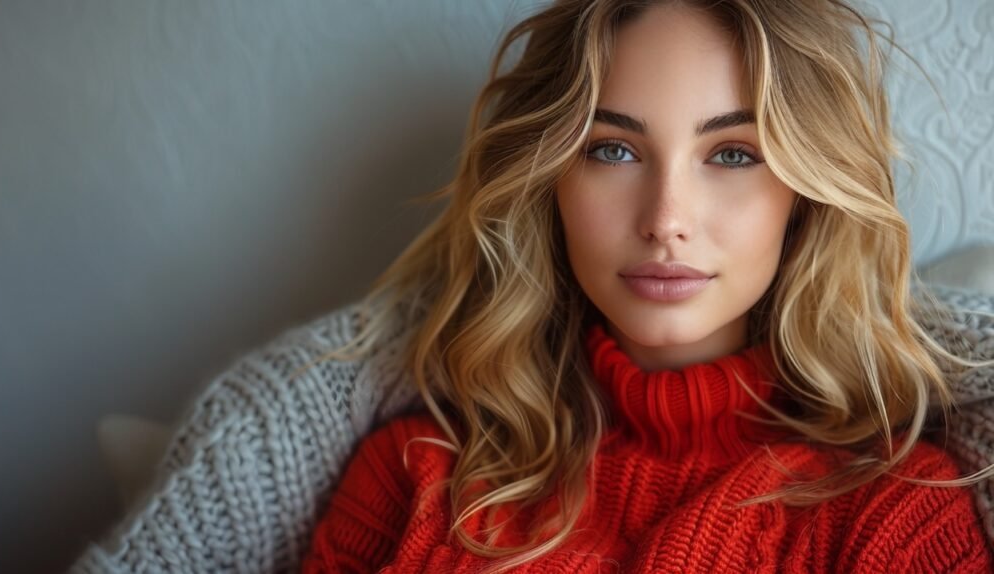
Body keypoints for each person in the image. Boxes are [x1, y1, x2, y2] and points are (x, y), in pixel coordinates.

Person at [301, 0, 994, 572]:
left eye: (732, 154)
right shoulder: (411, 484)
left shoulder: (898, 517)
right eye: (614, 149)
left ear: (805, 197)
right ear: (550, 181)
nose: (666, 221)